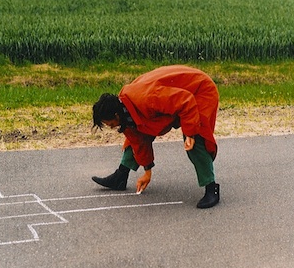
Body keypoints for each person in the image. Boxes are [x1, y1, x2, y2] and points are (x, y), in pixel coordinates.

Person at [91, 65, 220, 209]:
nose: (110, 126)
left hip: (198, 90)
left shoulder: (148, 99)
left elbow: (185, 101)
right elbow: (138, 140)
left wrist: (190, 132)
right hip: (176, 99)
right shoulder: (124, 108)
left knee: (195, 140)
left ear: (116, 115)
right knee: (134, 134)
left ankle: (211, 188)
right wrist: (147, 172)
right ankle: (120, 177)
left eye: (109, 123)